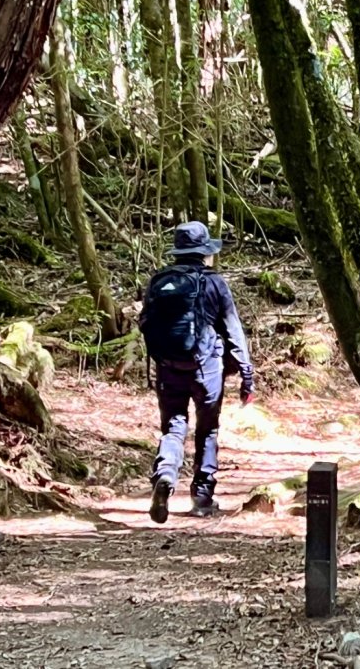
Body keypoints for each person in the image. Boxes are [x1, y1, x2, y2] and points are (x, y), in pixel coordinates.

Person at [139, 221, 254, 522]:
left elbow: (146, 323)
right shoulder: (214, 283)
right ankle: (202, 499)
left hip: (168, 368)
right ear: (203, 252)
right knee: (207, 430)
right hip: (206, 370)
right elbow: (233, 329)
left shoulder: (158, 281)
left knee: (174, 427)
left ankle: (165, 473)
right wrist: (246, 374)